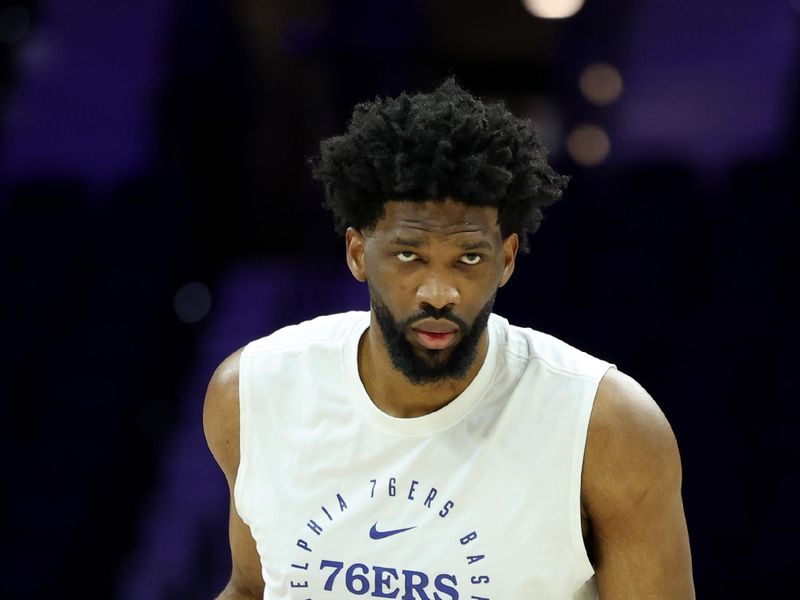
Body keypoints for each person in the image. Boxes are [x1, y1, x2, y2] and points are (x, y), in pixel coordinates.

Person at [203, 78, 694, 599]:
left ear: (505, 259)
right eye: (409, 256)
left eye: (468, 258)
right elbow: (252, 588)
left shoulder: (607, 426)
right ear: (356, 252)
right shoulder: (253, 393)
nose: (439, 292)